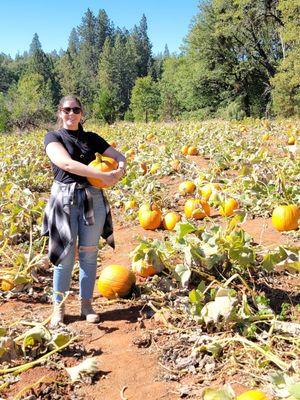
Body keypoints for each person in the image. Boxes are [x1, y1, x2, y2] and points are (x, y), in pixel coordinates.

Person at [42, 95, 126, 327]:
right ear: (60, 112)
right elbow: (66, 163)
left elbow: (118, 155)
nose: (71, 114)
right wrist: (102, 175)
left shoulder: (91, 138)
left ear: (82, 113)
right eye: (67, 110)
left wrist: (120, 169)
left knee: (89, 254)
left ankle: (86, 305)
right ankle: (59, 309)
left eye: (76, 110)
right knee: (65, 256)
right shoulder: (54, 137)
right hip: (64, 199)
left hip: (92, 198)